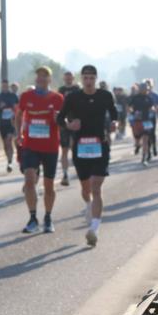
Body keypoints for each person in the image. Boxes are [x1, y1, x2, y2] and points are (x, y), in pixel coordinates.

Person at [57, 65, 117, 247]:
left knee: (96, 186)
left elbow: (114, 113)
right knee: (86, 189)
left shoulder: (105, 96)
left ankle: (94, 229)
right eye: (86, 78)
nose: (89, 81)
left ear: (96, 79)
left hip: (100, 145)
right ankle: (89, 205)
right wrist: (69, 125)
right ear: (81, 79)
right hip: (81, 147)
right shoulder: (73, 97)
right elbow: (59, 118)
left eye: (92, 78)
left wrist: (114, 123)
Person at [18, 66, 65, 234]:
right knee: (29, 181)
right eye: (39, 76)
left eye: (44, 76)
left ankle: (48, 218)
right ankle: (32, 218)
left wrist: (59, 120)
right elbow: (19, 114)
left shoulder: (58, 98)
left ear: (49, 80)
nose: (41, 79)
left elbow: (64, 122)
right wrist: (18, 133)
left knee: (49, 186)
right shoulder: (26, 96)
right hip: (30, 145)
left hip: (50, 147)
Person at [57, 71, 81, 186]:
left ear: (73, 78)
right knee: (64, 149)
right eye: (66, 78)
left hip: (75, 121)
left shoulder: (77, 89)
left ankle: (80, 169)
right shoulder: (60, 90)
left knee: (75, 148)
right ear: (64, 78)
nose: (68, 79)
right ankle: (65, 174)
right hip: (64, 123)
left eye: (70, 77)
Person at [0, 79, 20, 173]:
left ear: (8, 86)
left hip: (12, 123)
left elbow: (19, 108)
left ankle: (10, 162)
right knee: (5, 144)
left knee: (9, 140)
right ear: (1, 86)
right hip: (2, 123)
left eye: (6, 86)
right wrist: (0, 107)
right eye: (3, 86)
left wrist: (13, 110)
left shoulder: (13, 96)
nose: (4, 87)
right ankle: (9, 158)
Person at [128, 81, 157, 165]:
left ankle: (144, 157)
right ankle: (137, 146)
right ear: (140, 89)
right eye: (144, 89)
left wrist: (153, 110)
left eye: (146, 89)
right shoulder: (135, 98)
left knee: (145, 139)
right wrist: (131, 112)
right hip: (137, 121)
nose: (145, 90)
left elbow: (152, 106)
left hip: (146, 121)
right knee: (137, 138)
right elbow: (129, 107)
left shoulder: (149, 98)